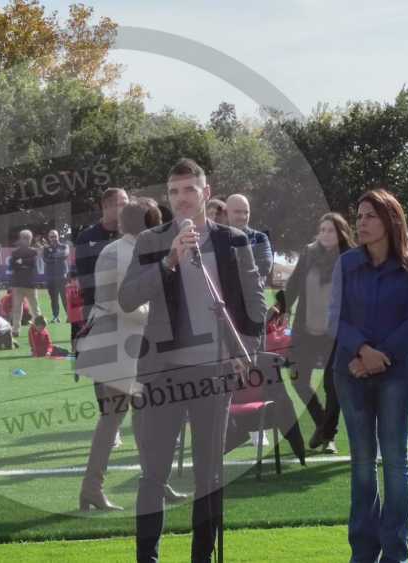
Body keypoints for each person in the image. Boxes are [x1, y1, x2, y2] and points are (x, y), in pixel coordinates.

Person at [119, 158, 265, 563]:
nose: (181, 199)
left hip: (214, 373)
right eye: (173, 192)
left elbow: (255, 305)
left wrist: (246, 353)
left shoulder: (233, 241)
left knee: (209, 474)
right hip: (161, 373)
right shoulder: (151, 241)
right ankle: (147, 557)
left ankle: (202, 557)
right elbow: (128, 297)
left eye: (189, 189)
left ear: (205, 191)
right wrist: (169, 261)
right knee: (153, 474)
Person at [328, 188, 408, 563]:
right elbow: (334, 317)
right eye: (359, 216)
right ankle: (363, 551)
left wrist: (380, 356)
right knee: (362, 464)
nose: (362, 223)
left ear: (390, 220)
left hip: (397, 374)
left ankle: (395, 552)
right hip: (350, 371)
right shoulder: (345, 264)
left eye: (370, 215)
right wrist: (361, 352)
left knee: (395, 461)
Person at [76, 197, 187, 512]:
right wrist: (155, 315)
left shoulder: (124, 250)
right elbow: (115, 303)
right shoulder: (119, 252)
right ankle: (92, 488)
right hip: (119, 346)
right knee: (113, 421)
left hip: (131, 346)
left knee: (138, 421)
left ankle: (149, 482)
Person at [284, 212, 356, 454]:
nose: (325, 234)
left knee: (332, 384)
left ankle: (328, 434)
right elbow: (293, 284)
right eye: (323, 229)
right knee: (297, 380)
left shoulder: (350, 259)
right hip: (305, 330)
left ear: (342, 234)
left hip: (335, 333)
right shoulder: (308, 253)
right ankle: (323, 424)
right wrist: (278, 306)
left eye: (331, 230)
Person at [75, 187, 129, 322]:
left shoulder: (133, 235)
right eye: (122, 204)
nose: (127, 209)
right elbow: (84, 278)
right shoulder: (86, 237)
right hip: (97, 310)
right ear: (106, 206)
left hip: (129, 309)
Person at [225, 194, 273, 282]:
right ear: (226, 212)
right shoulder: (217, 236)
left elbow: (265, 266)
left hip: (251, 294)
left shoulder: (259, 238)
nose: (243, 216)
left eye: (246, 212)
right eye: (237, 212)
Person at [9, 229, 40, 337]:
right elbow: (13, 266)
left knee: (35, 308)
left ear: (30, 239)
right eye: (23, 238)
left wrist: (21, 262)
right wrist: (26, 263)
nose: (25, 240)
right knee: (17, 308)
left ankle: (40, 327)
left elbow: (34, 263)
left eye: (27, 238)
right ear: (21, 239)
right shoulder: (15, 252)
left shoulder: (34, 251)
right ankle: (15, 330)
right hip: (18, 284)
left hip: (30, 284)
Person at [42, 229, 70, 322]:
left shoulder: (64, 246)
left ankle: (69, 316)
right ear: (49, 238)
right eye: (51, 236)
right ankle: (55, 317)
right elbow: (46, 260)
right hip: (50, 277)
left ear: (58, 236)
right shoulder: (46, 249)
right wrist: (57, 257)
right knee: (53, 299)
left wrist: (52, 255)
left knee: (65, 298)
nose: (53, 238)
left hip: (62, 276)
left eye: (55, 236)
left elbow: (64, 255)